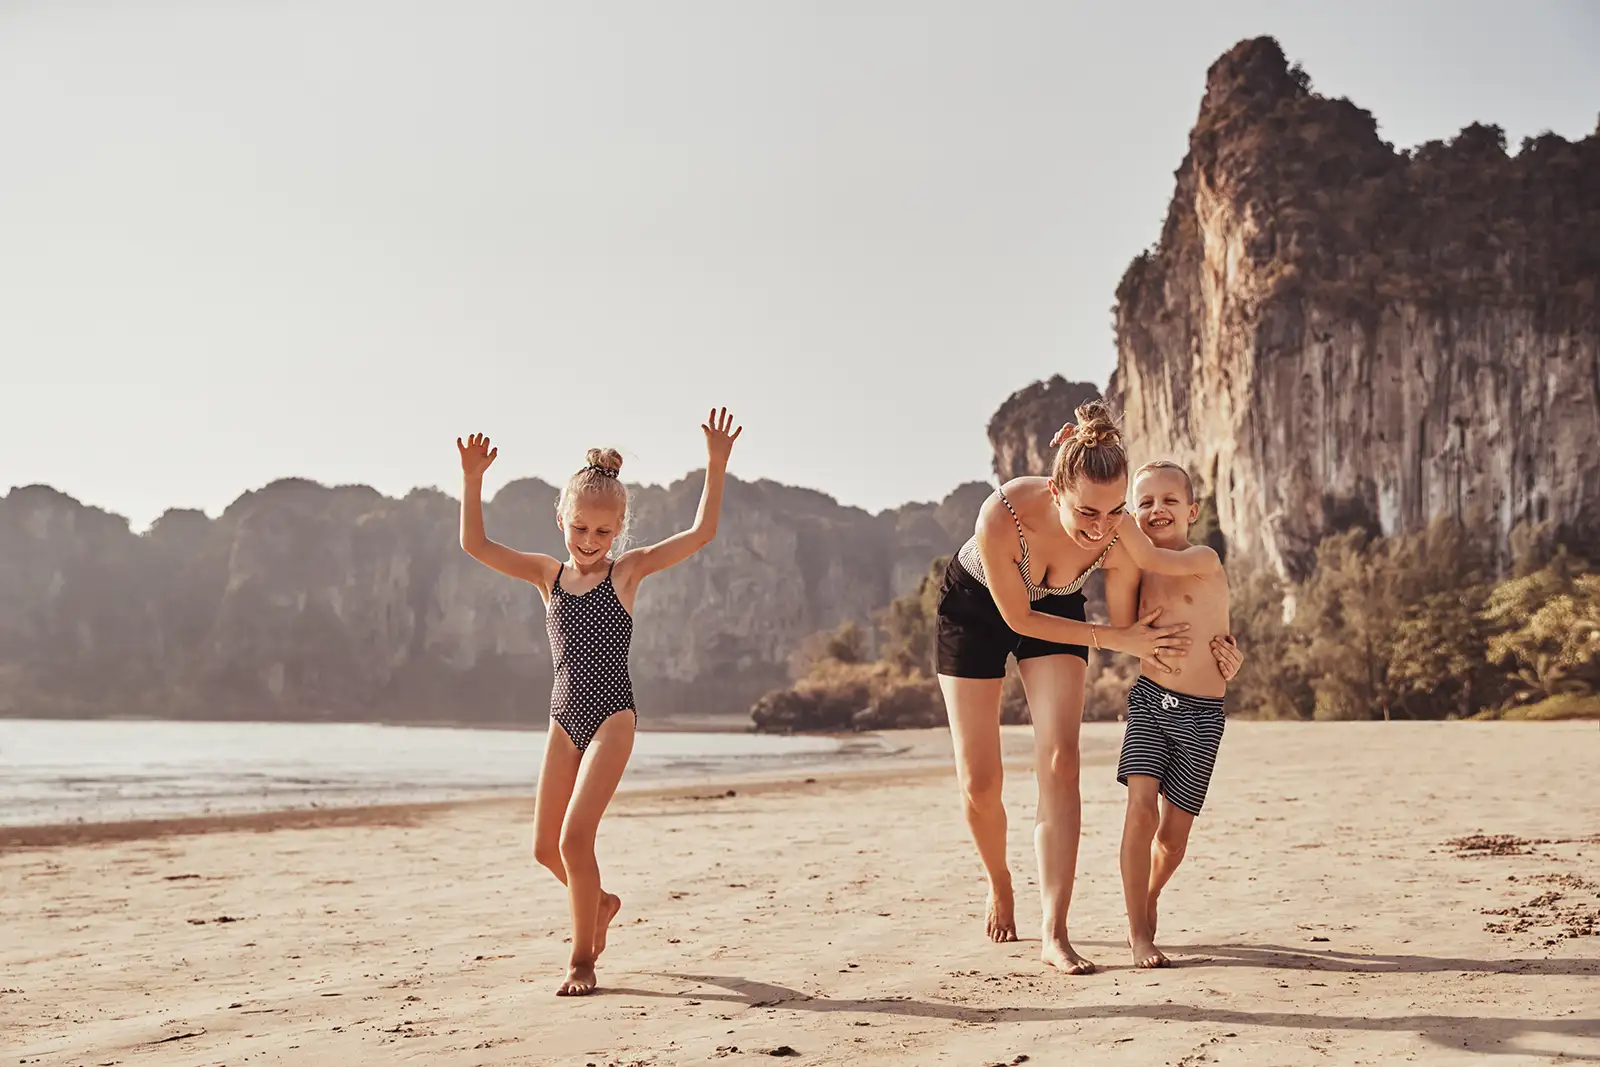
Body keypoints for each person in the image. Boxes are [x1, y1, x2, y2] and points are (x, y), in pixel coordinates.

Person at [936, 399, 1241, 975]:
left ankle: (1055, 931)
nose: (1103, 528)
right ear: (1056, 490)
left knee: (1061, 758)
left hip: (1061, 613)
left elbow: (1179, 584)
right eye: (1087, 514)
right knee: (980, 782)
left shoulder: (1121, 524)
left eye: (1113, 512)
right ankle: (1000, 881)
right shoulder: (1001, 515)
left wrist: (1217, 650)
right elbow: (1020, 620)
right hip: (977, 609)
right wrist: (1112, 638)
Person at [456, 408, 742, 996]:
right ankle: (602, 902)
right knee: (543, 848)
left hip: (613, 715)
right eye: (580, 528)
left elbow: (700, 535)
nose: (590, 542)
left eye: (603, 533)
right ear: (561, 518)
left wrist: (716, 465)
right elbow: (475, 543)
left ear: (620, 532)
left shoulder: (627, 574)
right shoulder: (547, 576)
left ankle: (582, 958)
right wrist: (472, 480)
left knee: (573, 840)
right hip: (564, 717)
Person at [1109, 460, 1240, 969]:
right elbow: (1122, 631)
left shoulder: (1203, 558)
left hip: (1204, 713)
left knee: (1173, 836)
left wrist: (1115, 514)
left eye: (1168, 501)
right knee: (1140, 812)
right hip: (1151, 702)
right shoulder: (1133, 567)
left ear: (1193, 510)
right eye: (1144, 503)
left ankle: (1149, 894)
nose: (1155, 510)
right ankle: (1138, 932)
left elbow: (1145, 551)